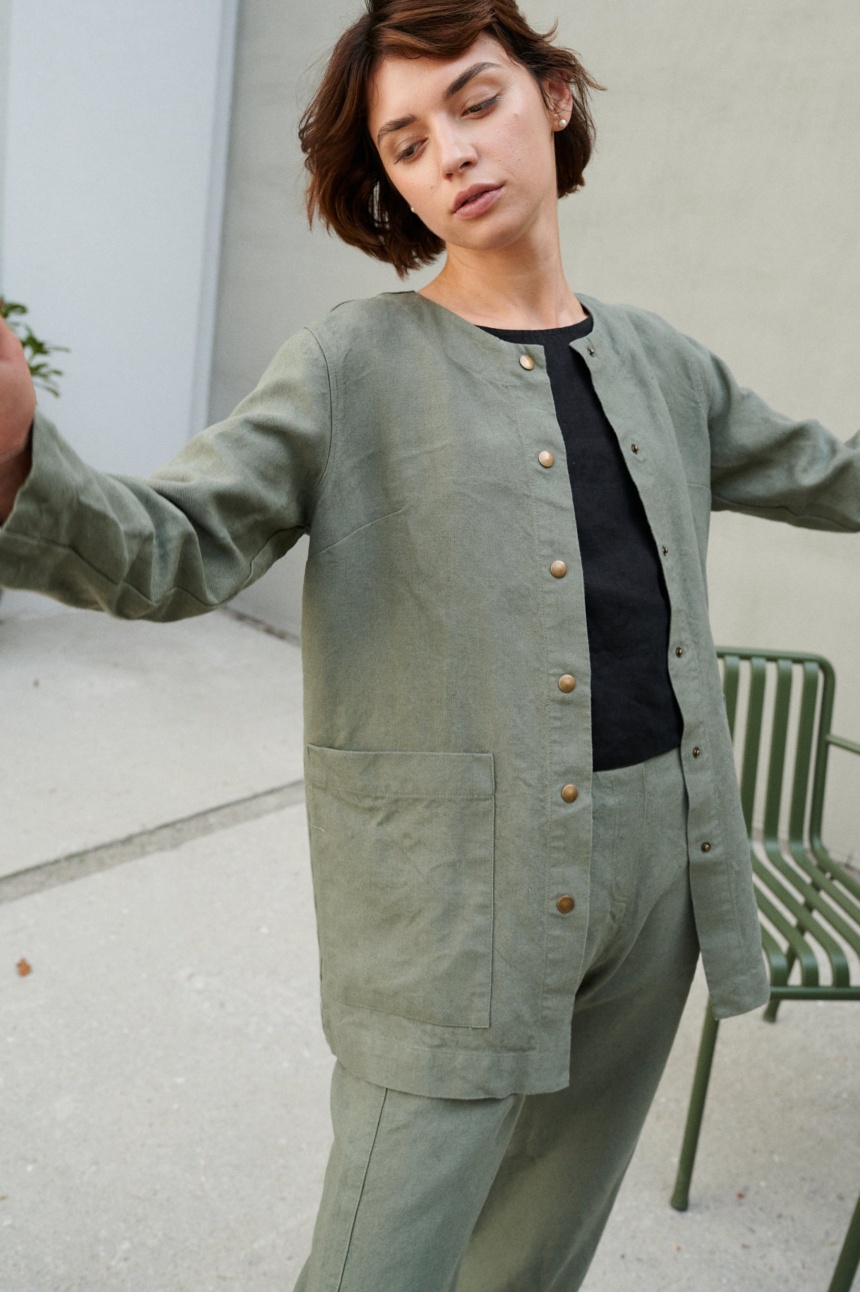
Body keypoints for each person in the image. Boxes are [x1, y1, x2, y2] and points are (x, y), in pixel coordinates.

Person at [0, 1, 858, 1287]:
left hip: (662, 877)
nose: (449, 152)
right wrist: (18, 456)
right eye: (404, 142)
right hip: (452, 904)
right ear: (390, 182)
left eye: (473, 99)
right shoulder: (350, 361)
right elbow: (171, 546)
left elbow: (826, 471)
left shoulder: (662, 363)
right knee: (378, 1262)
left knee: (536, 1255)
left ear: (549, 97)